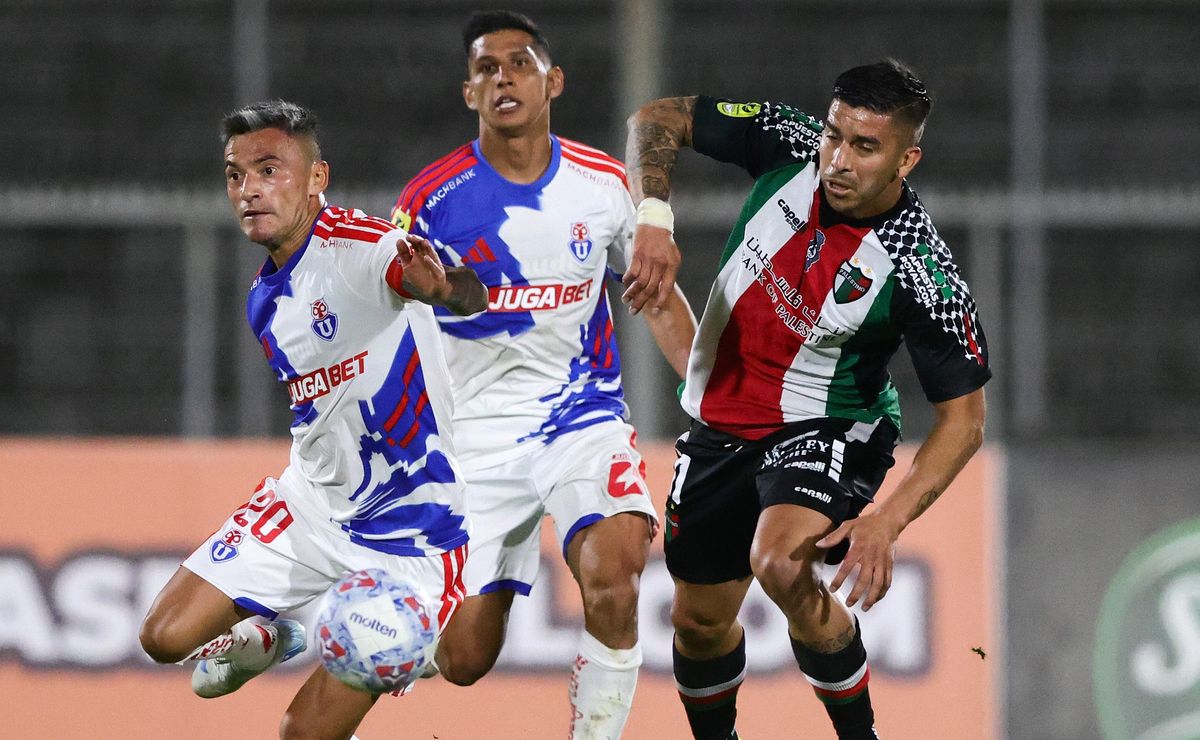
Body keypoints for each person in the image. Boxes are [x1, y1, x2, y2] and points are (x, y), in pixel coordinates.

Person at [624, 61, 991, 740]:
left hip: (830, 423)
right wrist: (653, 218)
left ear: (906, 159)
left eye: (865, 147)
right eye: (835, 134)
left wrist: (887, 522)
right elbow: (656, 119)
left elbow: (965, 421)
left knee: (779, 558)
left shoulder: (921, 270)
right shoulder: (791, 143)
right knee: (698, 622)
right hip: (722, 425)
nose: (838, 160)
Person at [389, 10, 697, 738]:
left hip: (579, 421)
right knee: (463, 659)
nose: (504, 78)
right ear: (469, 92)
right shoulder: (427, 202)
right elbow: (392, 326)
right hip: (475, 441)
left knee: (615, 579)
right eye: (487, 68)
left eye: (519, 63)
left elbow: (656, 298)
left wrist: (716, 404)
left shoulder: (602, 185)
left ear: (551, 81)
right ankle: (336, 636)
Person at [138, 99, 487, 739]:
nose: (248, 190)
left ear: (317, 178)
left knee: (301, 735)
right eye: (235, 175)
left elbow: (464, 289)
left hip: (412, 529)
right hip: (309, 504)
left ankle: (368, 631)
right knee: (163, 636)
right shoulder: (262, 300)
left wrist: (442, 290)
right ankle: (282, 632)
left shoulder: (364, 249)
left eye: (269, 170)